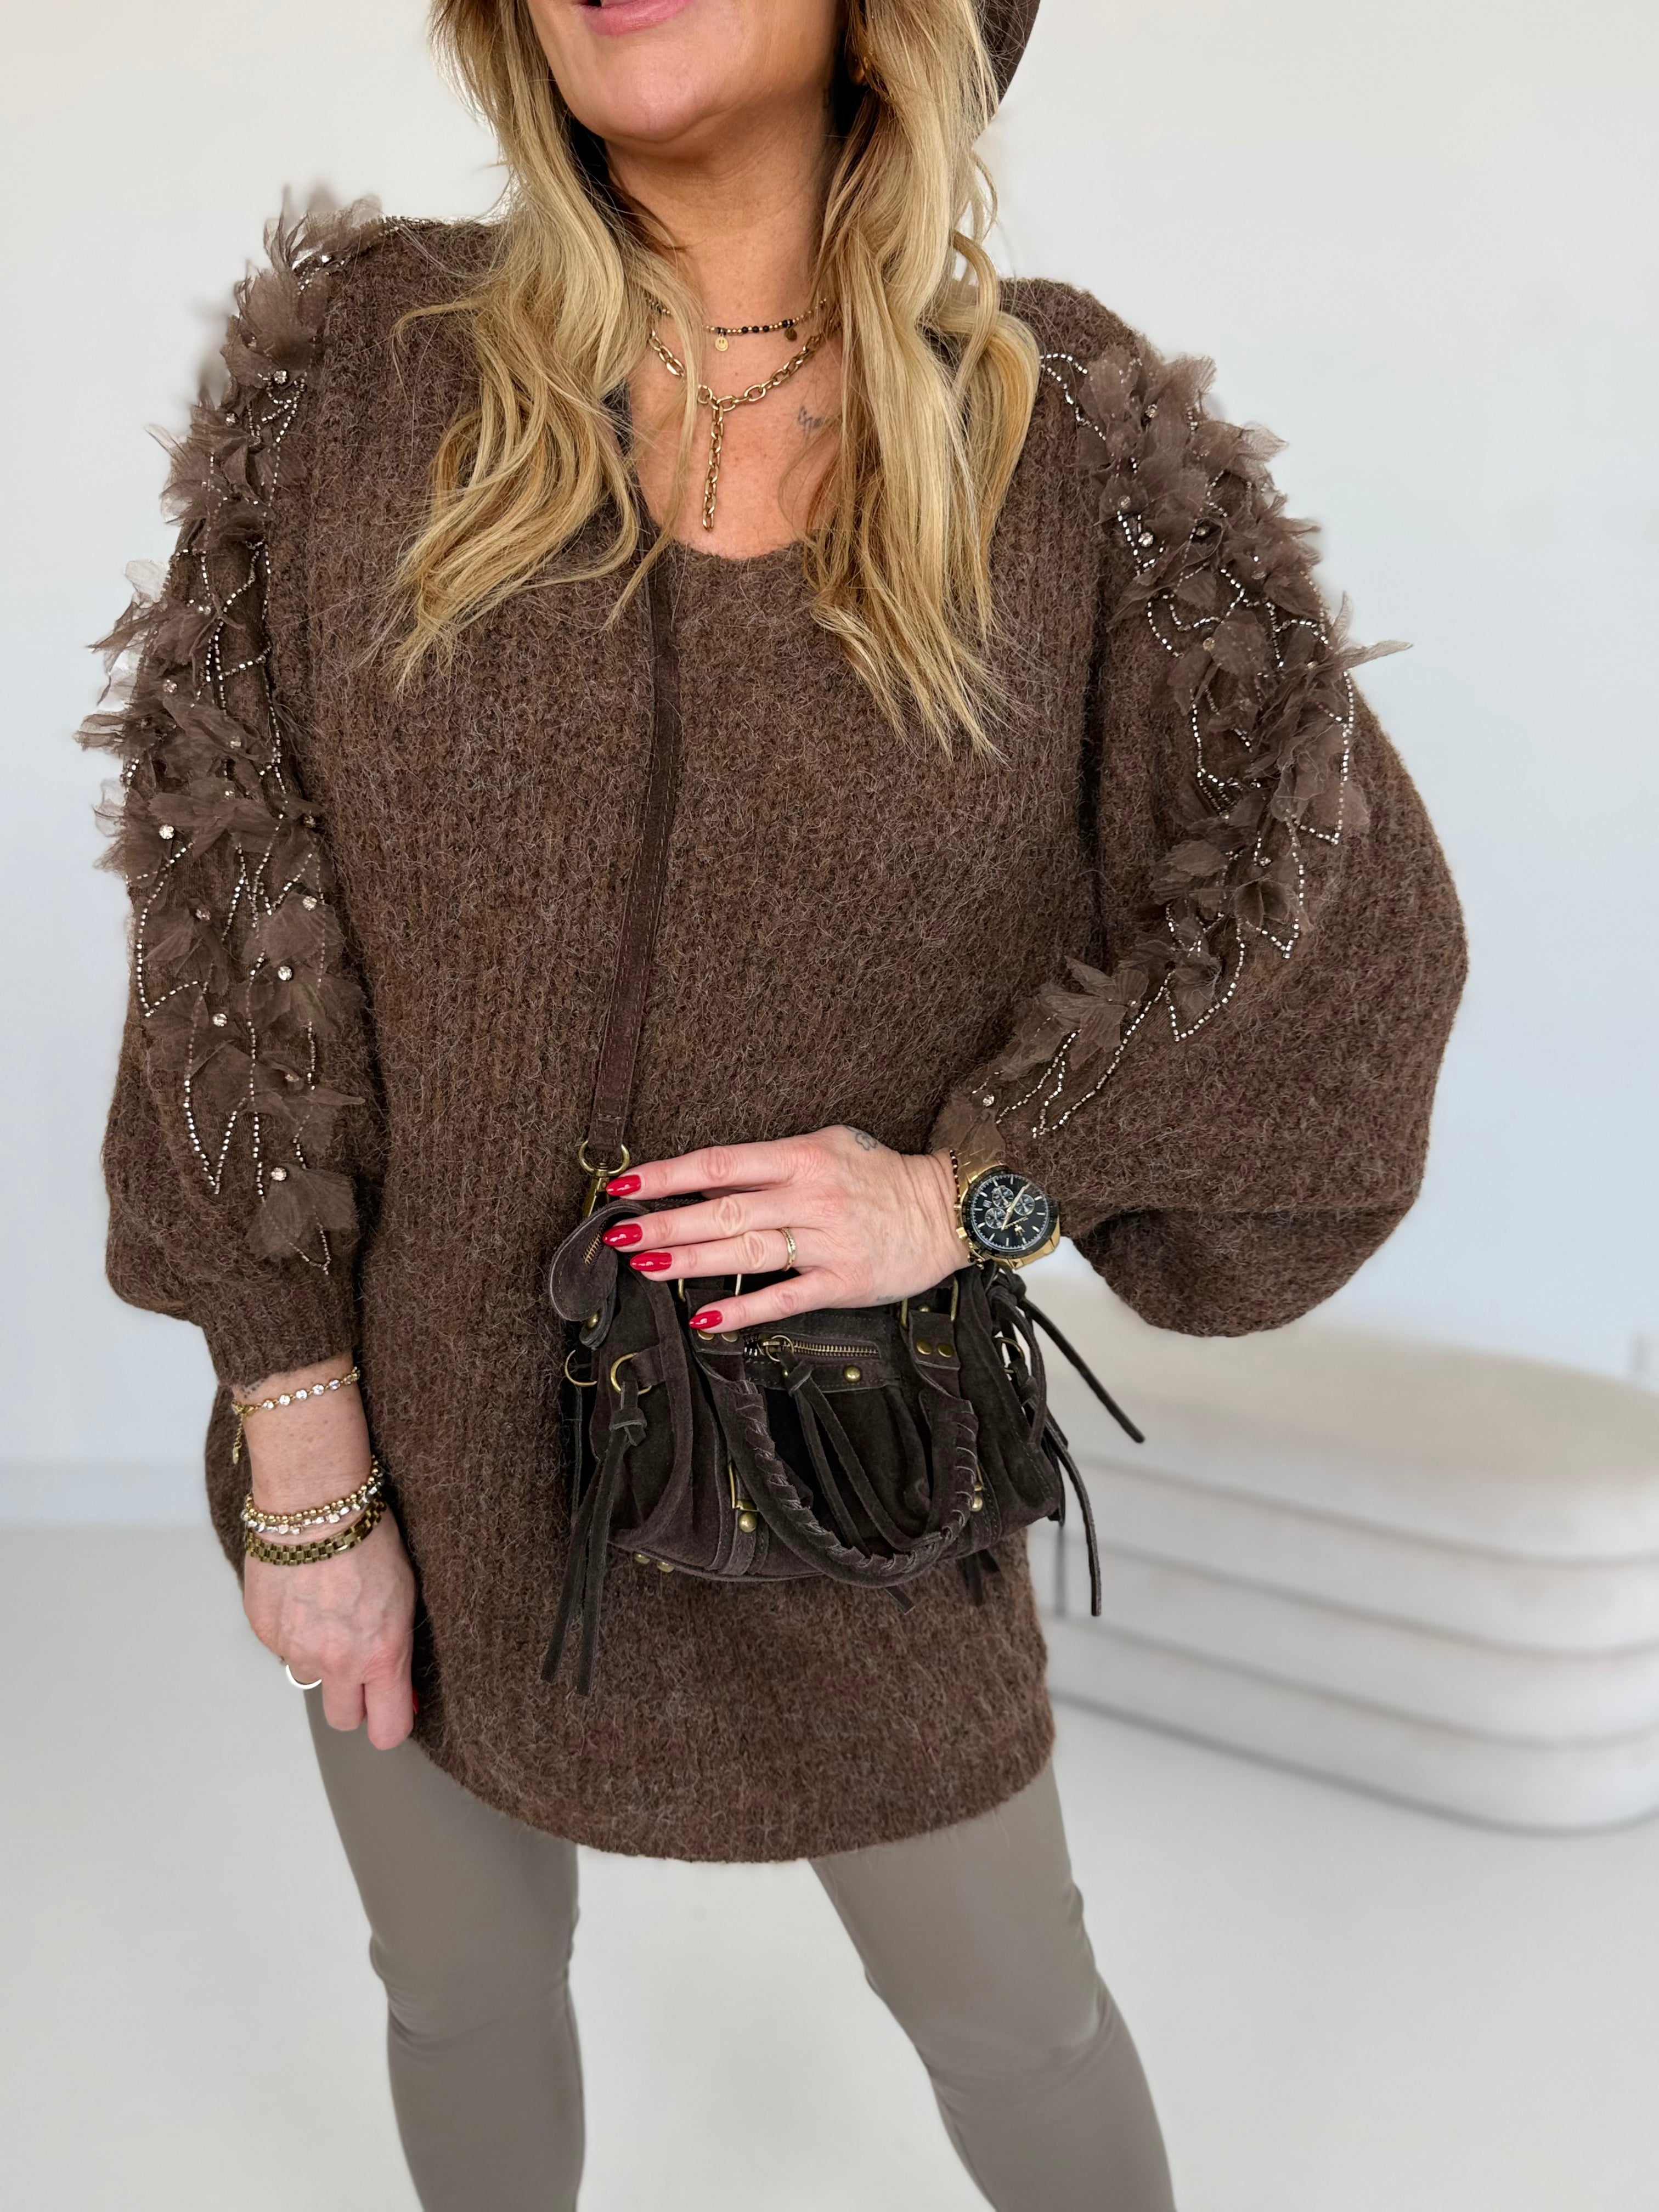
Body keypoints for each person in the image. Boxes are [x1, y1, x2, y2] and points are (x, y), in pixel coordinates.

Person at [84, 2, 1465, 2206]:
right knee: (455, 1985)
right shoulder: (359, 381)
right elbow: (221, 912)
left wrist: (979, 1196)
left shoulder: (1073, 449)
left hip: (835, 1459)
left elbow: (1331, 934)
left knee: (1016, 2015)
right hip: (409, 1443)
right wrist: (300, 1426)